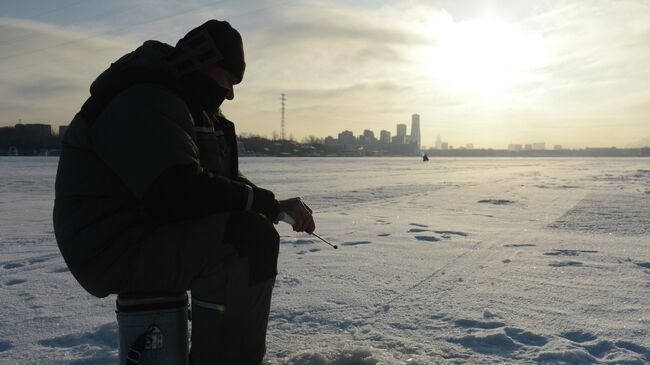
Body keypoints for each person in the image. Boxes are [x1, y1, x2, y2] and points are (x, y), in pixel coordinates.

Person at [53, 19, 315, 364]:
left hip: (143, 231)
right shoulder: (143, 97)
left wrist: (274, 205)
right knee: (246, 241)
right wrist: (261, 205)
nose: (231, 93)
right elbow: (178, 193)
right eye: (229, 79)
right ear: (203, 64)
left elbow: (215, 181)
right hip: (108, 244)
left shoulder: (185, 104)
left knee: (247, 229)